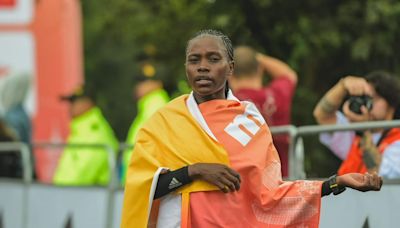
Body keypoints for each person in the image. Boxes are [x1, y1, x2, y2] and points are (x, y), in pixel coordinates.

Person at [121, 29, 382, 227]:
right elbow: (143, 188)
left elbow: (271, 196)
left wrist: (334, 183)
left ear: (230, 68)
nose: (202, 66)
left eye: (213, 59)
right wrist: (194, 171)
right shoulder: (164, 120)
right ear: (186, 67)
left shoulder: (250, 120)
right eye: (194, 60)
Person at [313, 72, 400, 179]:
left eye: (374, 98)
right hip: (346, 194)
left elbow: (383, 176)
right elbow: (322, 115)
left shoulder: (397, 139)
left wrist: (364, 130)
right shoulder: (354, 134)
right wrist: (342, 87)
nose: (368, 104)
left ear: (391, 103)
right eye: (366, 98)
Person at [229, 46, 298, 177]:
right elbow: (289, 75)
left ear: (230, 73)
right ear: (260, 69)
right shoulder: (277, 94)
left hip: (245, 185)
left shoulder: (228, 104)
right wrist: (258, 57)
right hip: (282, 181)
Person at [53, 86, 119, 186]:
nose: (70, 107)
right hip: (73, 196)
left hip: (86, 198)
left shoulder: (95, 133)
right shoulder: (82, 131)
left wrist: (55, 193)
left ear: (88, 103)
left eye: (74, 101)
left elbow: (79, 177)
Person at [121, 76, 170, 184]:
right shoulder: (148, 106)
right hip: (140, 177)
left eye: (145, 82)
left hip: (145, 179)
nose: (138, 87)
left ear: (158, 83)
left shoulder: (156, 106)